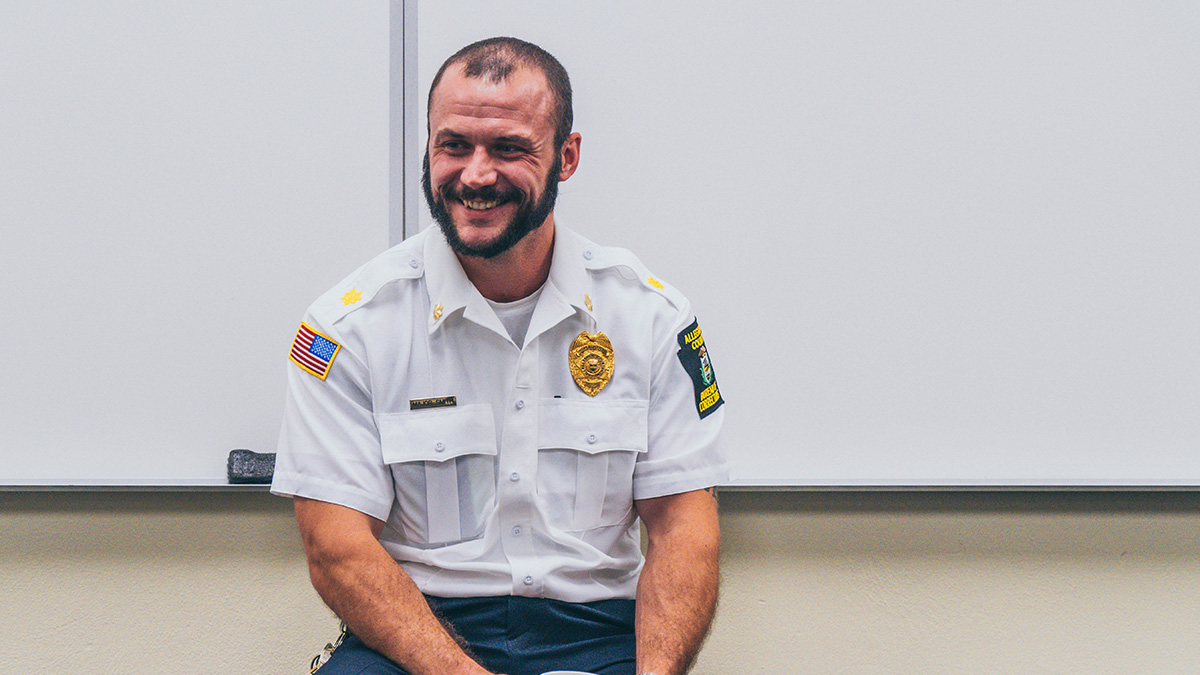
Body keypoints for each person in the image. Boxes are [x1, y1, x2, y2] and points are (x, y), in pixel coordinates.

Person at [272, 37, 729, 675]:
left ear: (566, 157)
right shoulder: (349, 327)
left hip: (598, 635)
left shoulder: (651, 318)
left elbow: (684, 529)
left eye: (509, 148)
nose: (476, 174)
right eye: (454, 145)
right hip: (418, 635)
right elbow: (337, 548)